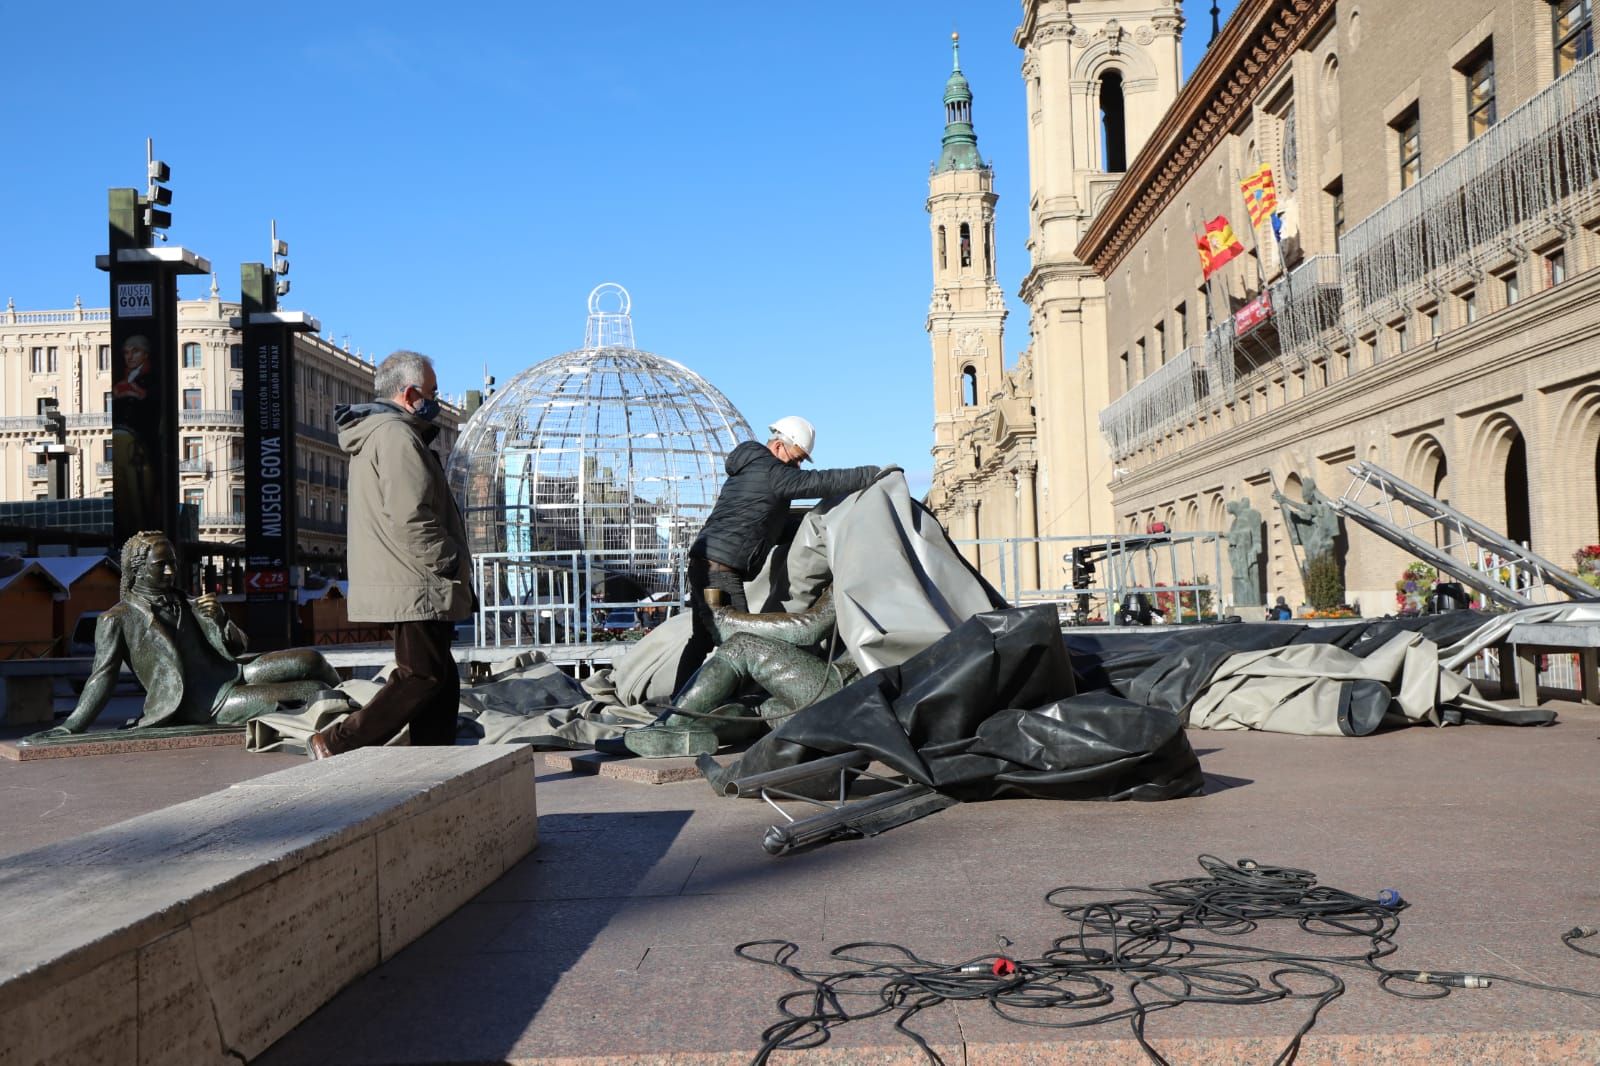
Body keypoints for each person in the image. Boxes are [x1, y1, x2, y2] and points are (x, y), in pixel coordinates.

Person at [308, 350, 473, 759]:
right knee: (422, 676)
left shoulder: (382, 433)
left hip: (407, 577)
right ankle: (335, 741)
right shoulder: (396, 435)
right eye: (431, 392)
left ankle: (433, 759)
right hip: (413, 578)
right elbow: (410, 513)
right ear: (410, 392)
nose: (435, 400)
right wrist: (447, 559)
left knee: (441, 677)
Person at [35, 531, 340, 738]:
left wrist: (220, 618)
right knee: (310, 689)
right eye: (161, 565)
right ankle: (355, 717)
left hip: (235, 672)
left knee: (311, 659)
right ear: (139, 569)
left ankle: (355, 696)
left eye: (173, 563)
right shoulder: (117, 619)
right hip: (204, 702)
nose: (170, 571)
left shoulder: (188, 601)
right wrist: (71, 726)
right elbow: (101, 678)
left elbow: (237, 646)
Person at [672, 416, 887, 692]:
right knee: (741, 643)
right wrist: (870, 474)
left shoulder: (754, 470)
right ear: (778, 446)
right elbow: (818, 482)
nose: (796, 467)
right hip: (719, 571)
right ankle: (730, 705)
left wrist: (817, 529)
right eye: (796, 459)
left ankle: (679, 701)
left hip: (709, 563)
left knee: (701, 641)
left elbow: (767, 527)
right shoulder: (771, 472)